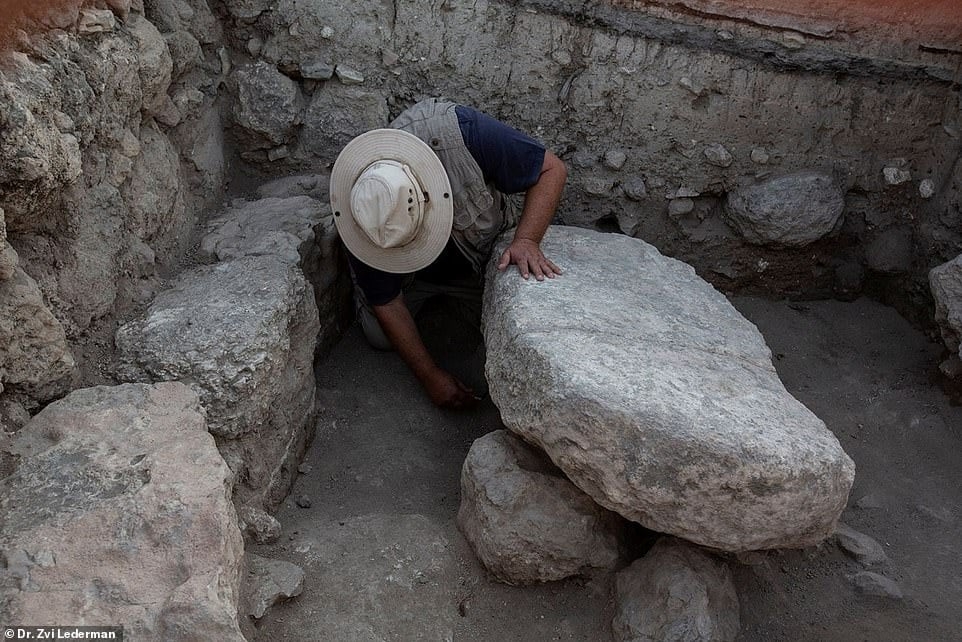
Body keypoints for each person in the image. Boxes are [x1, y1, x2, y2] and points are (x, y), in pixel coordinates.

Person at [330, 98, 566, 409]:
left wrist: (527, 240)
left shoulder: (463, 135)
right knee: (379, 335)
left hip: (476, 256)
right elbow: (385, 300)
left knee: (510, 309)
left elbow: (552, 169)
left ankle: (458, 301)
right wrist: (429, 375)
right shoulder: (363, 210)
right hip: (412, 278)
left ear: (427, 195)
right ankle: (419, 297)